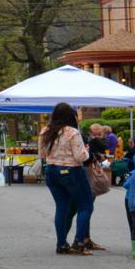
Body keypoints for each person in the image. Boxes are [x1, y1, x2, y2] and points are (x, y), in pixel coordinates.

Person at [40, 102, 95, 255]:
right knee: (85, 206)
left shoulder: (46, 131)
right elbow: (80, 157)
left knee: (62, 207)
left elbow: (41, 154)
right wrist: (86, 151)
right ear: (71, 115)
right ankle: (78, 241)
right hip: (71, 171)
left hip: (51, 171)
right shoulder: (72, 132)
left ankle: (61, 244)